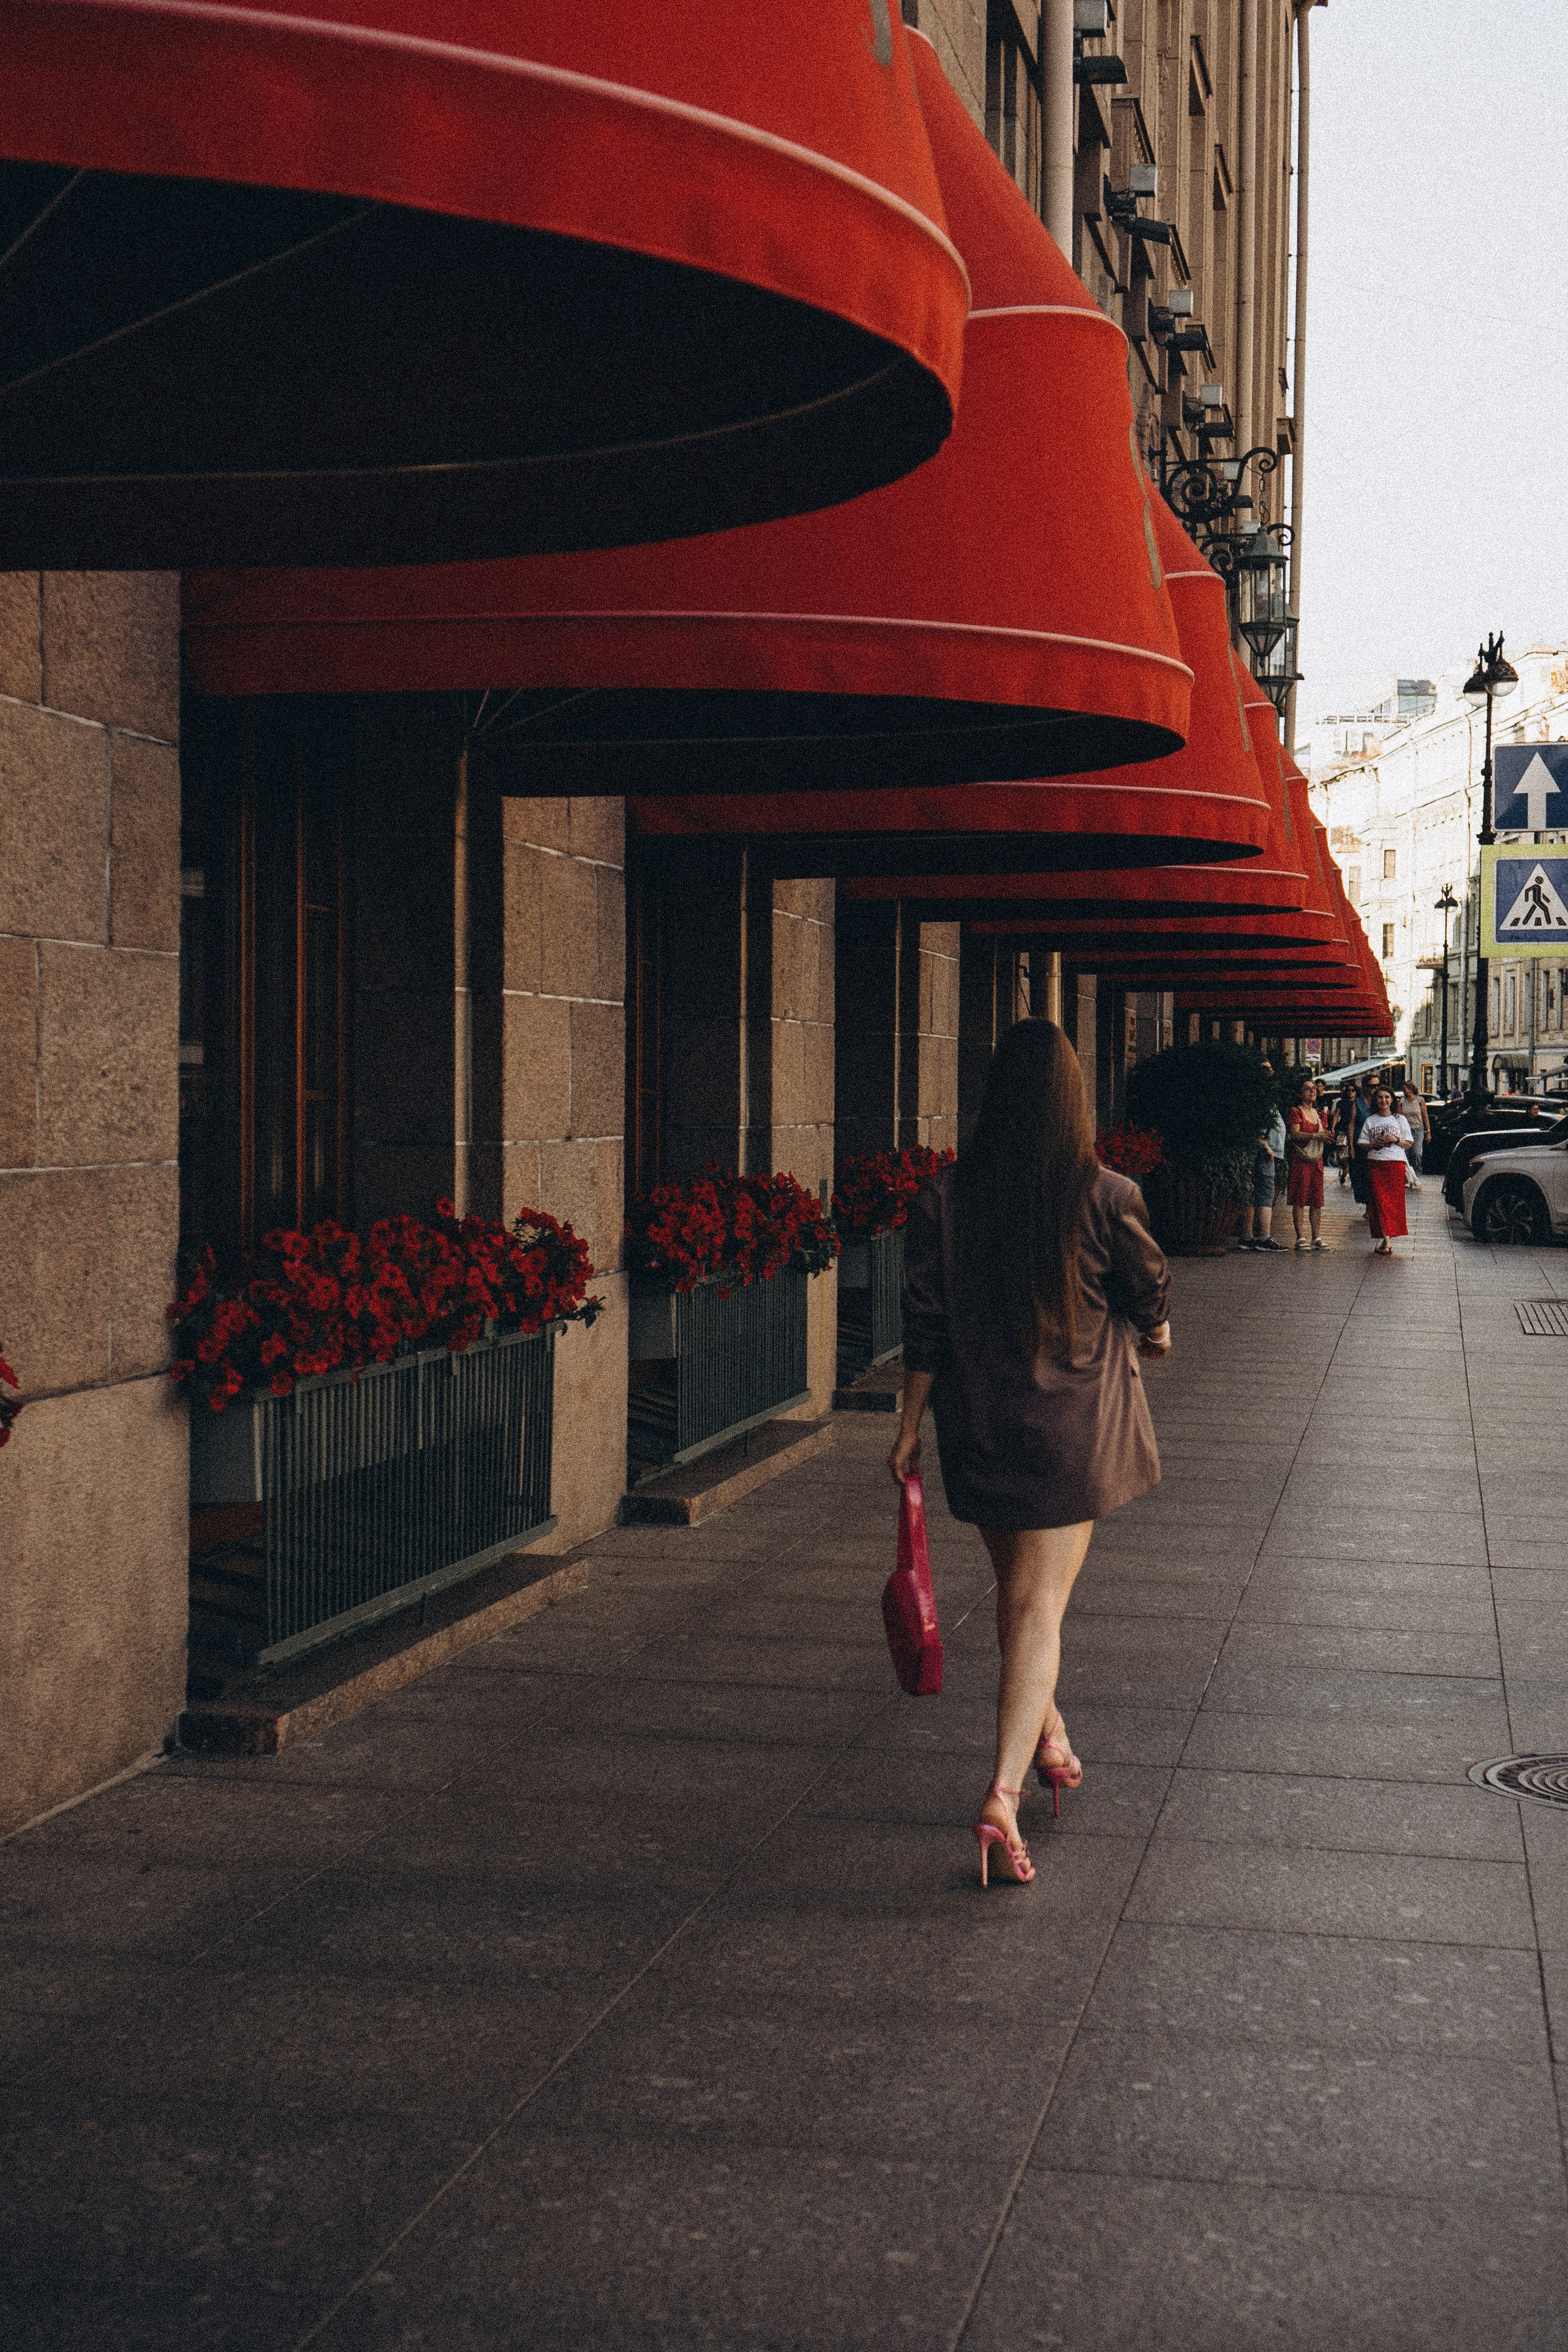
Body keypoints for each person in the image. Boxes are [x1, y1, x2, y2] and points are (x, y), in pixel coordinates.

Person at [890, 1019, 1171, 1889]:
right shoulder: (1106, 1194)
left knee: (1020, 1598)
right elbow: (1150, 1287)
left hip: (977, 1430)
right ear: (1073, 1101)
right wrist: (1155, 1332)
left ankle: (1049, 1738)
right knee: (1038, 1609)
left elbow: (926, 1324)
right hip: (1069, 1436)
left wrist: (907, 1426)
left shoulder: (944, 1198)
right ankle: (1002, 1797)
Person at [1236, 1073, 1286, 1251]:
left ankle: (1248, 1237)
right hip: (1262, 1151)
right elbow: (1254, 1122)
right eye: (1266, 1070)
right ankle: (1263, 1237)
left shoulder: (1259, 1094)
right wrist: (1264, 1142)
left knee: (1254, 1190)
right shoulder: (1257, 1096)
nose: (1271, 1074)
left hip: (1264, 1150)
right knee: (1264, 1190)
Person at [1362, 1085, 1412, 1256]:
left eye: (1387, 1097)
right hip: (1376, 1163)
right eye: (1380, 1098)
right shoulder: (1371, 1121)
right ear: (1376, 1101)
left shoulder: (1400, 1120)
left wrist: (1395, 1139)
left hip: (1395, 1163)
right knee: (1379, 1201)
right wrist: (1374, 1144)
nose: (1384, 1101)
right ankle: (1388, 1241)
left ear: (1392, 1100)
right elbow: (1361, 1143)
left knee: (1392, 1203)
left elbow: (1409, 1143)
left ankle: (1386, 1240)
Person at [1285, 1075, 1327, 1250]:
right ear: (1299, 1093)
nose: (1313, 1092)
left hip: (1316, 1160)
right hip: (1301, 1160)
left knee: (1317, 1200)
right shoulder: (1296, 1111)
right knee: (1300, 1198)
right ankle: (1300, 1237)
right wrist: (1315, 1135)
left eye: (1314, 1089)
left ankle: (1316, 1236)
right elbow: (1294, 1134)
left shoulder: (1320, 1113)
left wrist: (1327, 1137)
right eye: (1308, 1089)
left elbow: (1323, 1134)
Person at [1398, 1077, 1430, 1187]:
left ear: (1411, 1089)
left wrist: (1428, 1131)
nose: (1404, 1091)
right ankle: (1406, 1177)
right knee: (1405, 1154)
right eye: (1403, 1089)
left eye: (1405, 1089)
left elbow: (1425, 1116)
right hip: (1405, 1130)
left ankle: (1416, 1175)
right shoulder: (1402, 1101)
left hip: (1418, 1129)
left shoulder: (1420, 1101)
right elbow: (1398, 1116)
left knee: (1416, 1153)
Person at [1331, 1079, 1357, 1187]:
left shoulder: (1358, 1103)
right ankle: (1344, 1170)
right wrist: (1332, 1128)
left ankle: (1352, 1173)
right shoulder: (1341, 1103)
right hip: (1342, 1130)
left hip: (1355, 1130)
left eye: (1353, 1090)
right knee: (1341, 1152)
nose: (1350, 1092)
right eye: (1348, 1090)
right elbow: (1337, 1115)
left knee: (1353, 1153)